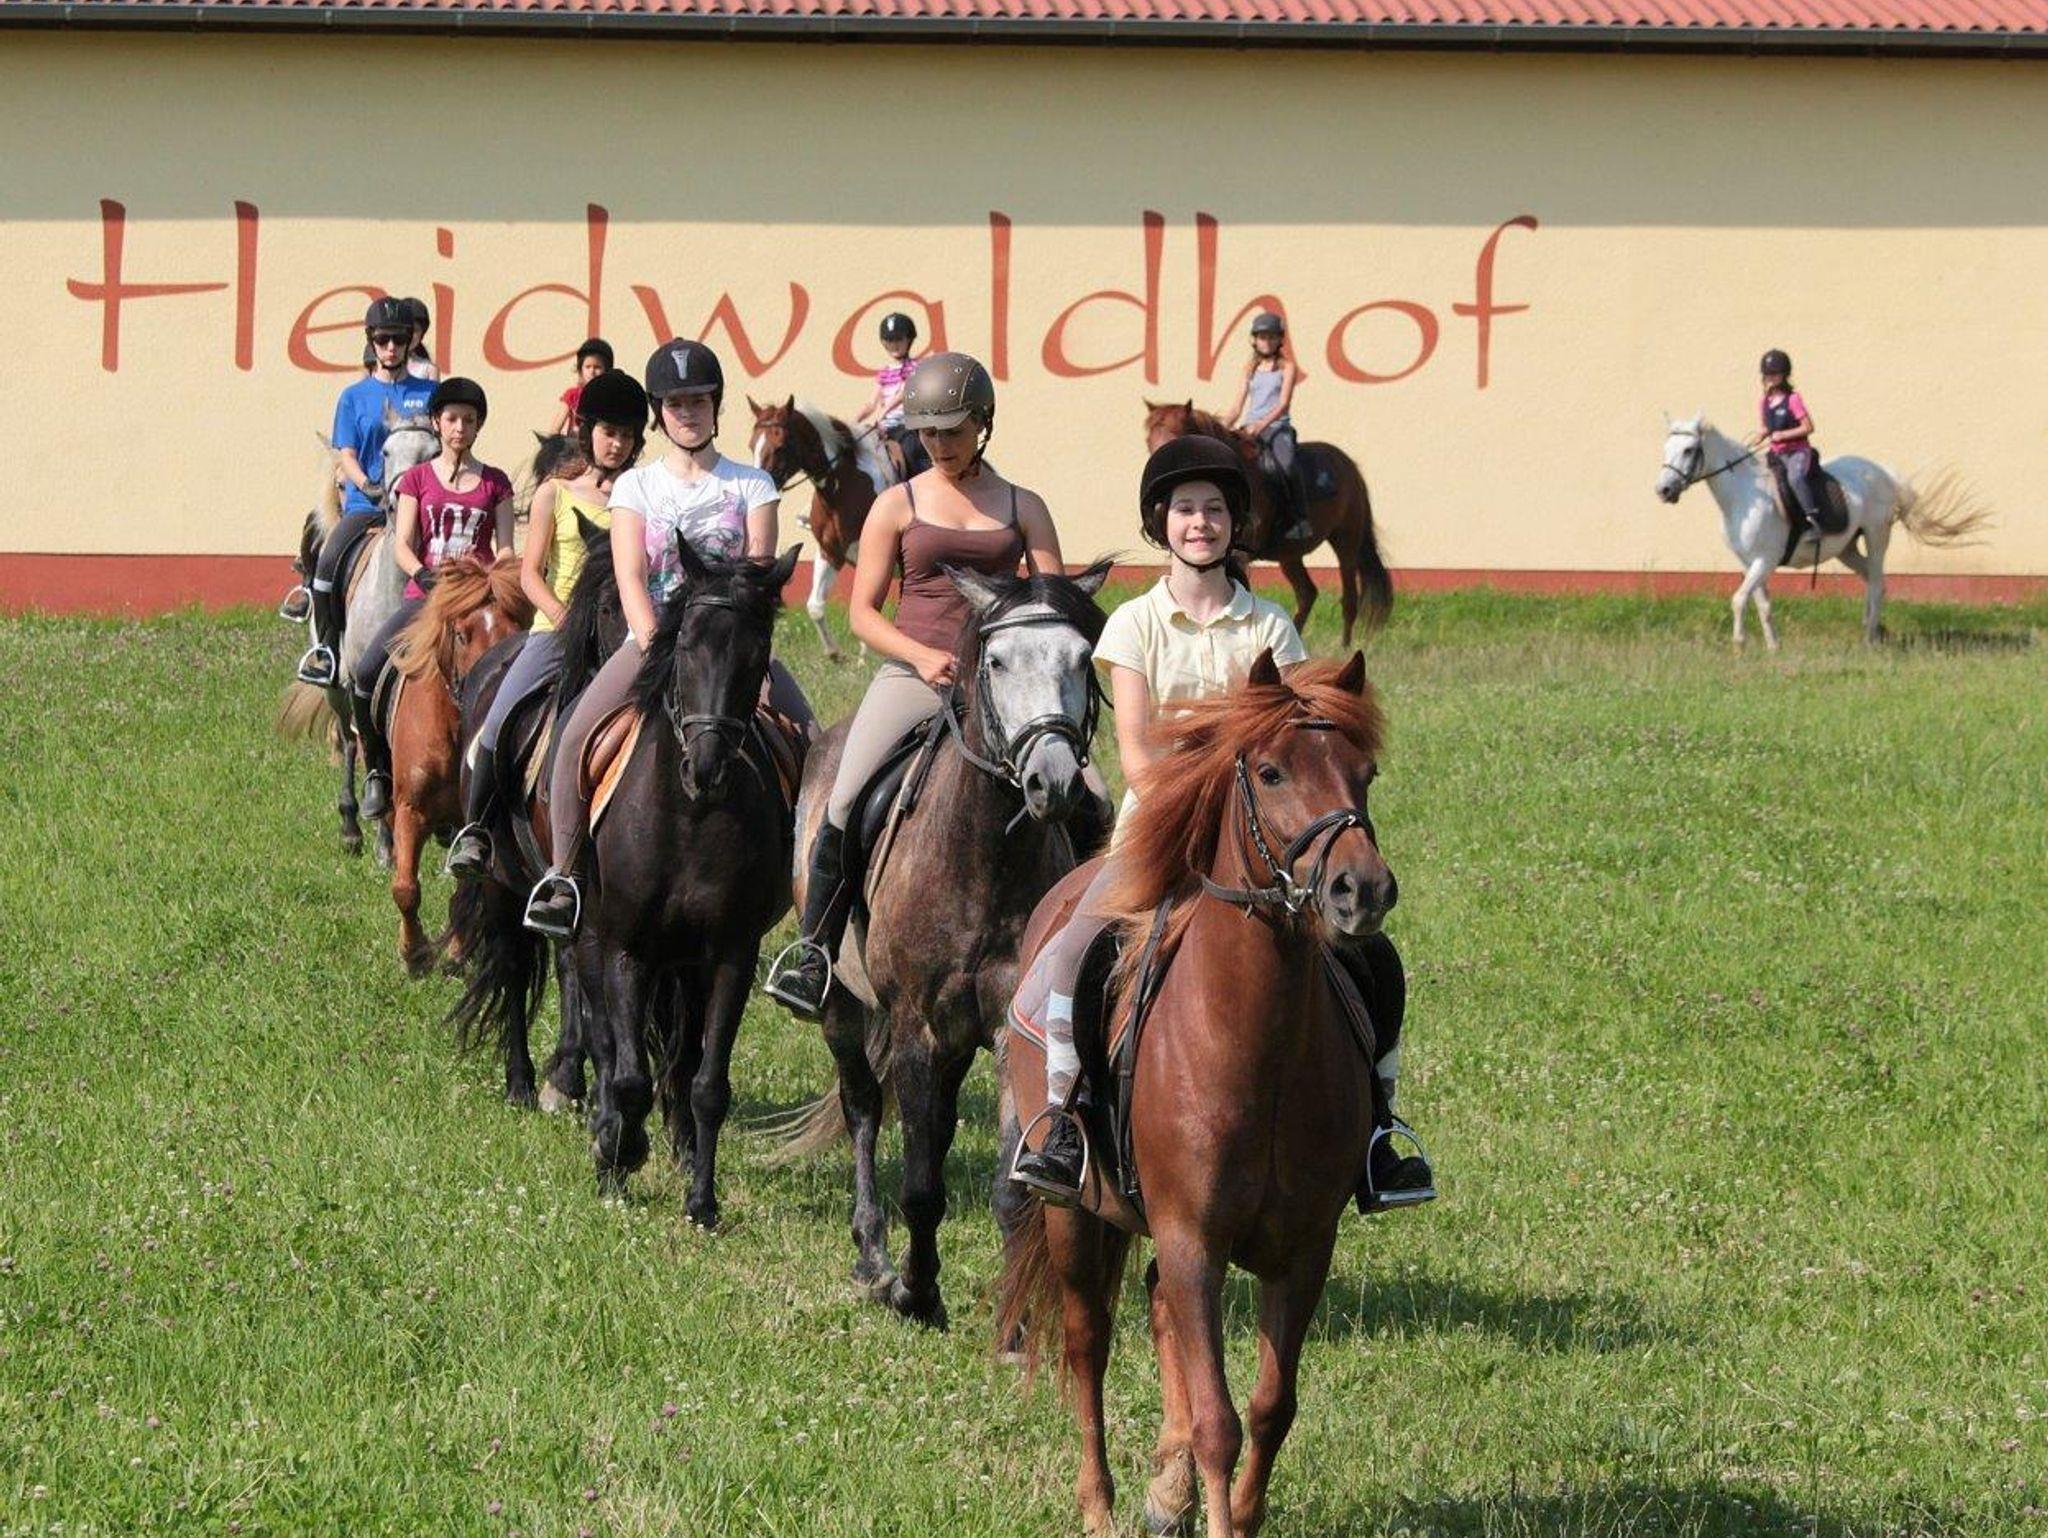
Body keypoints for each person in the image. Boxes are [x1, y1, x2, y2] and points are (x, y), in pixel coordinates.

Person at [1005, 433, 1433, 1212]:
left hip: (1261, 842)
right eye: (1184, 510)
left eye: (1214, 510)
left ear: (1237, 525)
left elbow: (1300, 748)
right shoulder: (1133, 624)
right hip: (1157, 834)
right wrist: (1199, 806)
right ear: (1160, 524)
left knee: (1376, 963)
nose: (1199, 522)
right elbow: (1138, 756)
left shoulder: (1270, 628)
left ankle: (1379, 1134)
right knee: (1070, 956)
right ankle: (1063, 1123)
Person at [762, 352, 1065, 1018]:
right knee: (844, 798)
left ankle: (1095, 943)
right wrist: (921, 657)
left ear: (983, 422)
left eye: (952, 430)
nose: (939, 444)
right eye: (927, 431)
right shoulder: (895, 505)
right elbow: (863, 612)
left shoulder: (1025, 506)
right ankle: (814, 953)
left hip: (1005, 685)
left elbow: (1052, 603)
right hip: (915, 673)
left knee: (1087, 792)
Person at [522, 339, 813, 938]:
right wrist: (657, 645)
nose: (688, 414)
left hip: (731, 653)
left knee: (811, 744)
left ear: (716, 406)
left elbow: (758, 578)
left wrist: (744, 658)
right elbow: (630, 575)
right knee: (573, 739)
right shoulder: (636, 486)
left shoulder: (753, 485)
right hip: (653, 645)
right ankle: (564, 876)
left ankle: (810, 898)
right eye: (676, 404)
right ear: (660, 413)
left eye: (699, 402)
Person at [444, 368, 646, 879]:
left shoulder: (645, 497)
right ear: (588, 431)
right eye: (609, 432)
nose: (617, 444)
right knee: (496, 722)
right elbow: (530, 575)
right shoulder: (554, 494)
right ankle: (476, 831)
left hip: (626, 634)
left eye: (627, 435)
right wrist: (561, 617)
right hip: (555, 634)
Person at [351, 377, 516, 819]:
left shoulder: (496, 483)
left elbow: (505, 550)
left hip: (478, 604)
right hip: (425, 598)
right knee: (366, 672)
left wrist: (494, 583)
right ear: (437, 423)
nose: (460, 428)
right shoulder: (416, 480)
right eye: (452, 419)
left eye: (469, 420)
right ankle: (377, 770)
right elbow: (403, 543)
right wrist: (422, 575)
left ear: (478, 426)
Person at [294, 298, 438, 685]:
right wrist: (367, 485)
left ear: (411, 342)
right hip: (367, 505)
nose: (391, 347)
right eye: (383, 339)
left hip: (422, 508)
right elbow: (347, 454)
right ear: (371, 341)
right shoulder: (353, 397)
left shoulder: (431, 393)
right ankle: (326, 651)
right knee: (327, 566)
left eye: (399, 339)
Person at [1224, 310, 1309, 544]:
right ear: (1254, 339)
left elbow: (1283, 404)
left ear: (1280, 339)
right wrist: (1222, 426)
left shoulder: (1287, 367)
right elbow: (1237, 406)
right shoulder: (1249, 368)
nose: (1267, 341)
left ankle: (1300, 519)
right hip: (1249, 428)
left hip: (1277, 427)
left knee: (1286, 464)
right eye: (1262, 337)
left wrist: (1261, 424)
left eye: (1272, 337)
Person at [1749, 348, 1826, 541]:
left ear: (1784, 375)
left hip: (1797, 451)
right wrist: (1758, 437)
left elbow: (1808, 427)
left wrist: (1783, 434)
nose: (1771, 377)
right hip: (1776, 453)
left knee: (1795, 478)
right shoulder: (1764, 402)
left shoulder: (1793, 399)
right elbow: (1765, 427)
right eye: (1768, 374)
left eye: (1775, 373)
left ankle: (1813, 521)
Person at [854, 312, 924, 480]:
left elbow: (904, 393)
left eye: (898, 339)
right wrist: (853, 422)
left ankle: (921, 483)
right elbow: (871, 403)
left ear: (909, 339)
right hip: (884, 427)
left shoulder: (916, 367)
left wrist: (883, 412)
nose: (894, 345)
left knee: (911, 450)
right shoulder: (884, 372)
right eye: (889, 341)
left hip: (906, 425)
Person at [546, 339, 615, 435]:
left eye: (597, 367)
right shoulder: (572, 395)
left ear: (606, 371)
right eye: (588, 367)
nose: (592, 371)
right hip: (575, 442)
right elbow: (555, 429)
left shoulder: (609, 398)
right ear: (580, 369)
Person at [401, 298, 439, 381]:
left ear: (422, 335)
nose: (410, 335)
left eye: (415, 330)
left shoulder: (429, 369)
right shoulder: (377, 366)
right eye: (406, 329)